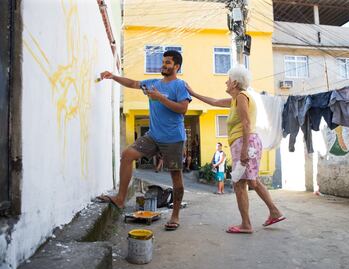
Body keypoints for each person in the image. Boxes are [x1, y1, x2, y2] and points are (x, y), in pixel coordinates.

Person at [98, 50, 191, 231]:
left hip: (173, 139)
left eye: (168, 63)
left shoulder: (180, 86)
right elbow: (133, 83)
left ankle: (175, 215)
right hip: (153, 135)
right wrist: (113, 76)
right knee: (127, 155)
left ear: (177, 66)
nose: (163, 65)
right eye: (163, 62)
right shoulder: (152, 83)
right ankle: (120, 199)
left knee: (175, 176)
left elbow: (183, 109)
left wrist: (160, 98)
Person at [186, 65, 285, 234]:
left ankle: (246, 224)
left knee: (240, 184)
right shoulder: (235, 100)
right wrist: (193, 93)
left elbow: (246, 123)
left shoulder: (241, 96)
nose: (226, 82)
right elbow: (215, 102)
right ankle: (274, 211)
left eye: (228, 79)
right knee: (252, 181)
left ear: (235, 83)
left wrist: (245, 148)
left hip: (245, 143)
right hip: (247, 142)